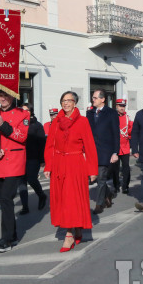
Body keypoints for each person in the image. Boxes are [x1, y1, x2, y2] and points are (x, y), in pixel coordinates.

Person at [44, 91, 98, 252]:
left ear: (75, 103)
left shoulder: (83, 122)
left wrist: (92, 170)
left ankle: (69, 235)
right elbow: (50, 146)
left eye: (69, 100)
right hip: (60, 164)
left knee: (71, 199)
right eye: (63, 101)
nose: (66, 103)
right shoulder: (56, 122)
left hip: (75, 164)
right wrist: (49, 165)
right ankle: (77, 228)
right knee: (62, 199)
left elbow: (89, 147)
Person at [0, 89, 30, 253]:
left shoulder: (22, 114)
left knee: (5, 198)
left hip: (15, 162)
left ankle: (7, 239)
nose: (2, 99)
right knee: (6, 201)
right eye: (0, 96)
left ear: (13, 96)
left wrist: (3, 124)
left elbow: (22, 136)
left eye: (6, 95)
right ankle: (14, 235)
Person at [86, 89, 120, 215]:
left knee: (101, 177)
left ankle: (99, 204)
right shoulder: (89, 113)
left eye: (95, 97)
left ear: (102, 99)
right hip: (92, 150)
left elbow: (116, 134)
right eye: (92, 97)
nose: (93, 100)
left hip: (106, 150)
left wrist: (115, 152)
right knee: (93, 178)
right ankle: (108, 194)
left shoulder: (111, 113)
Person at [18, 103, 48, 215]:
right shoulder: (19, 124)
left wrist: (42, 159)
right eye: (21, 110)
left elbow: (42, 143)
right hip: (20, 157)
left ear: (31, 112)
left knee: (31, 179)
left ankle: (41, 195)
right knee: (21, 182)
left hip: (33, 157)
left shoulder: (37, 125)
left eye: (25, 110)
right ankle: (25, 206)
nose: (23, 112)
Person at [111, 97, 133, 194]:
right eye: (120, 106)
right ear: (116, 106)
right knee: (115, 169)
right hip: (115, 147)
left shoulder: (127, 118)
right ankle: (116, 186)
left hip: (125, 147)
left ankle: (125, 186)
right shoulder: (112, 117)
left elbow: (131, 132)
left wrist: (132, 146)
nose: (122, 108)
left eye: (123, 106)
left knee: (126, 168)